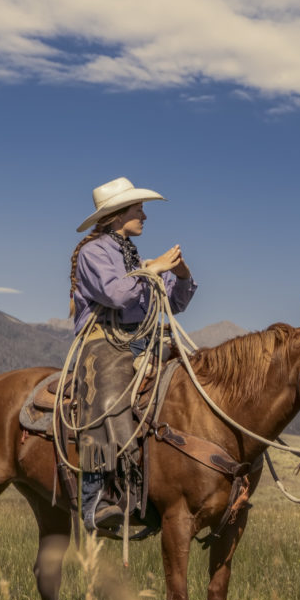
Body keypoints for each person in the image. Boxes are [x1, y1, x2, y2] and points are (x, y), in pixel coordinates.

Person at [67, 176, 197, 531]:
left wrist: (181, 275)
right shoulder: (95, 254)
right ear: (116, 215)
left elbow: (173, 303)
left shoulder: (133, 255)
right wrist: (151, 270)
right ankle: (97, 497)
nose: (144, 214)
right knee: (107, 399)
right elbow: (118, 295)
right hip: (103, 342)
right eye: (138, 208)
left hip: (141, 339)